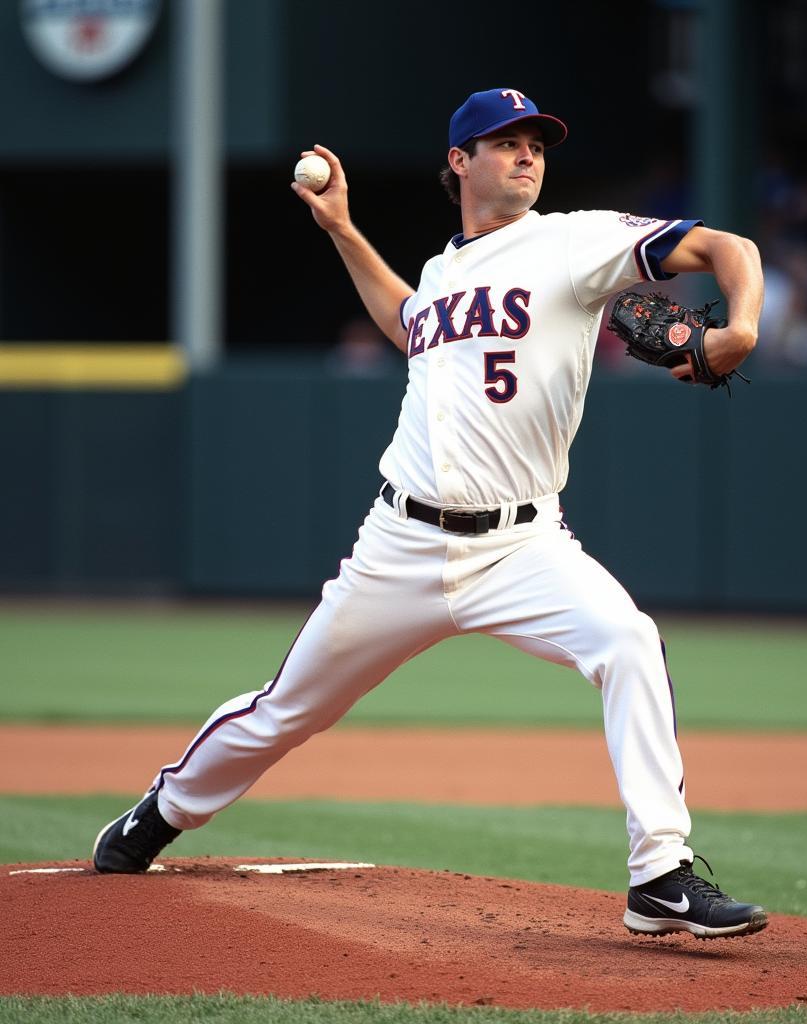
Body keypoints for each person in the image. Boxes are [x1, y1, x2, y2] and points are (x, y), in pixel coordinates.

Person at [93, 88, 766, 941]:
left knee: (627, 641)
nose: (526, 154)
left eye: (536, 143)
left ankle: (660, 876)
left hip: (526, 544)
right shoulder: (444, 275)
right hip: (401, 544)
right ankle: (164, 811)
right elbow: (407, 321)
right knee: (289, 709)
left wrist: (740, 325)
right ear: (460, 162)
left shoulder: (573, 241)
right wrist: (341, 228)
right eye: (504, 141)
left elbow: (724, 245)